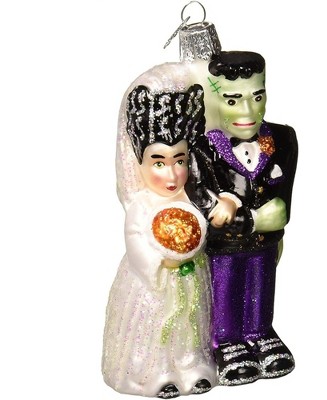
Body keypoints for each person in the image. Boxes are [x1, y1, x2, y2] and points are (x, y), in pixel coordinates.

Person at [187, 51, 298, 386]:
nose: (248, 112)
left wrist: (274, 223)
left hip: (266, 243)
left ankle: (260, 332)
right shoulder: (199, 149)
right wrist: (252, 220)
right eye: (233, 100)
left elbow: (283, 201)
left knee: (261, 281)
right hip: (222, 247)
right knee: (226, 284)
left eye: (257, 97)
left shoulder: (283, 139)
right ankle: (226, 340)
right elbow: (204, 205)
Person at [102, 83, 216, 398]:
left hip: (190, 277)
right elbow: (135, 238)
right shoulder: (142, 205)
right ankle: (155, 371)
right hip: (156, 282)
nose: (172, 175)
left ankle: (192, 366)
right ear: (140, 164)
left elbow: (201, 225)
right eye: (159, 163)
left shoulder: (190, 198)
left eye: (179, 161)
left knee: (189, 324)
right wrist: (157, 262)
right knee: (156, 325)